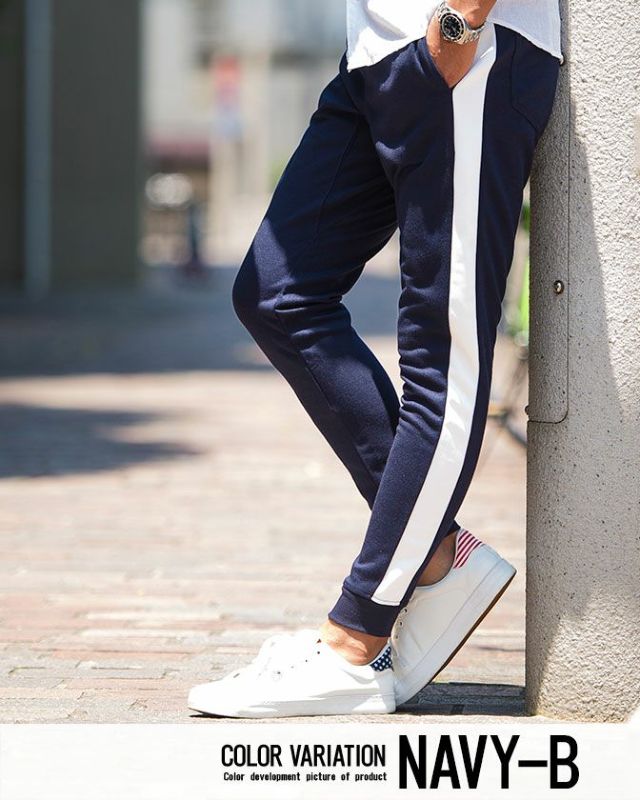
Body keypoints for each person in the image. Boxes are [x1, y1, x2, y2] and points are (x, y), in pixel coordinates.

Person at [188, 0, 561, 718]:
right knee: (276, 292)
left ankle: (356, 644)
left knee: (442, 361)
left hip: (465, 52)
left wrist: (460, 22)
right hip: (377, 54)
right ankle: (433, 554)